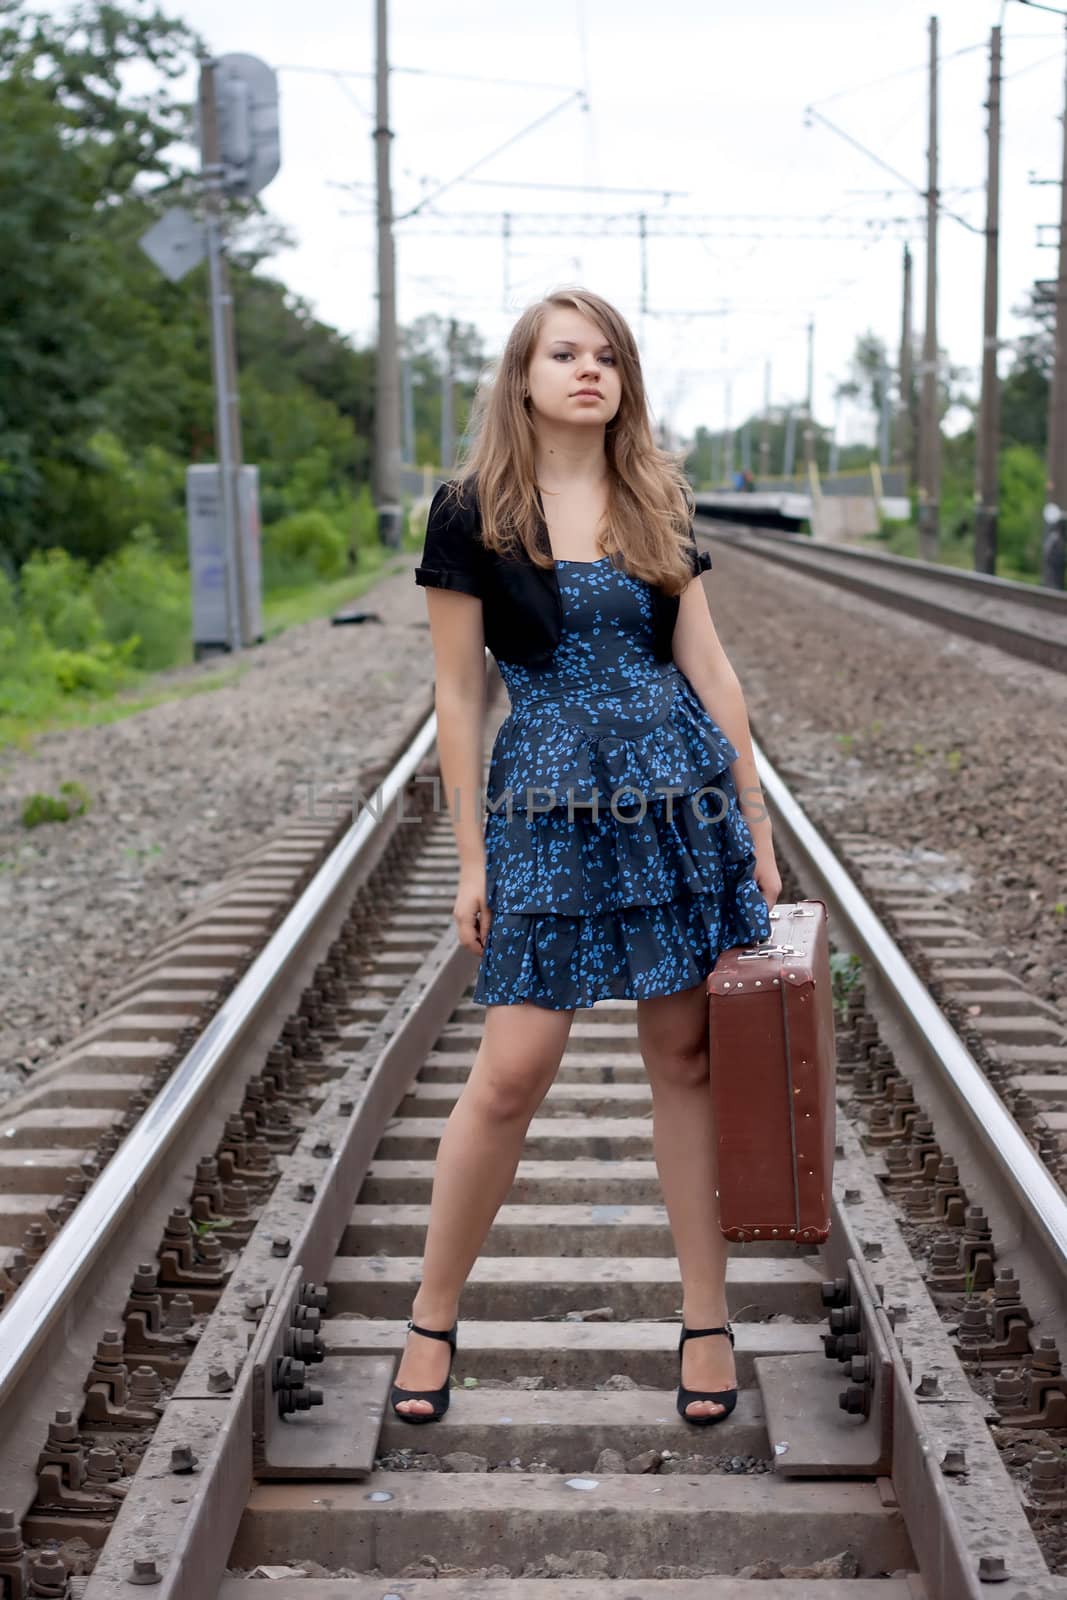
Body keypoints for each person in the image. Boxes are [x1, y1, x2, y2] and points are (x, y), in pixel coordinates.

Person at [394, 286, 782, 1428]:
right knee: (510, 1073)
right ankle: (430, 1313)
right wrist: (469, 857)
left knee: (684, 1060)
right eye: (563, 353)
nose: (587, 370)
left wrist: (754, 827)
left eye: (605, 355)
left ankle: (705, 1318)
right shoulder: (469, 510)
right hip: (549, 806)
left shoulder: (653, 493)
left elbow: (709, 671)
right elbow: (458, 694)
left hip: (676, 801)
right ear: (522, 376)